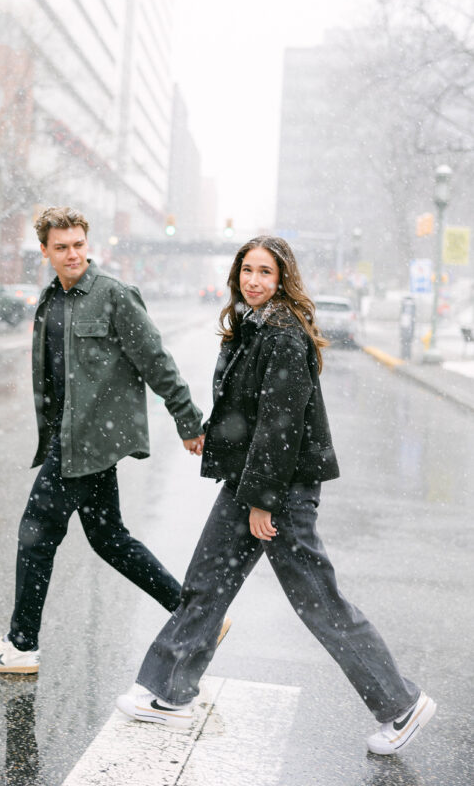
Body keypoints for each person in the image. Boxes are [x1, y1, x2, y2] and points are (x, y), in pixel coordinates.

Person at [117, 236, 436, 756]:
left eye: (265, 271)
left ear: (283, 279)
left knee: (319, 603)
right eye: (247, 270)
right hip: (250, 482)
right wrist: (211, 437)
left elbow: (278, 426)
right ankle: (167, 692)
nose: (254, 280)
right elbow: (246, 411)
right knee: (207, 582)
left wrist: (263, 501)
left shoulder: (283, 334)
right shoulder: (252, 326)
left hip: (278, 492)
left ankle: (400, 705)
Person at [0, 205, 211, 675]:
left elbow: (156, 361)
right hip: (68, 436)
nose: (72, 254)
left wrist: (188, 420)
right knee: (109, 539)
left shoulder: (115, 297)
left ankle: (21, 645)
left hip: (91, 440)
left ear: (87, 244)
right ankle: (196, 616)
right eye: (62, 247)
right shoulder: (50, 299)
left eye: (78, 244)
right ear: (45, 251)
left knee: (35, 532)